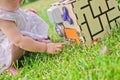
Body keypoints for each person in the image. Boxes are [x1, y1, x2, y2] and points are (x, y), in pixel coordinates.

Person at [0, 0, 65, 75]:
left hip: (17, 37)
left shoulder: (7, 7)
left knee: (29, 21)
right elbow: (19, 41)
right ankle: (6, 66)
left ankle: (34, 43)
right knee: (19, 42)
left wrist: (25, 13)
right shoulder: (3, 19)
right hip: (5, 49)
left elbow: (14, 15)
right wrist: (45, 48)